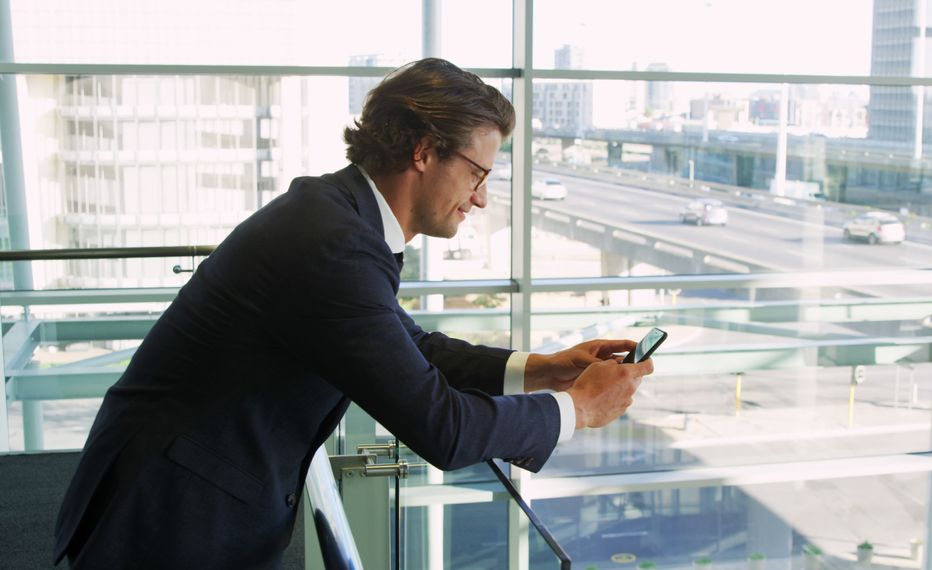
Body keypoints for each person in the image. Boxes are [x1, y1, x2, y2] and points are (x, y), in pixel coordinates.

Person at [53, 58, 654, 569]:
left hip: (184, 492)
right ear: (423, 152)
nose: (481, 197)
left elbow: (408, 345)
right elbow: (442, 429)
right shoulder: (331, 242)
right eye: (477, 173)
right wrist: (577, 408)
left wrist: (543, 368)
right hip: (170, 515)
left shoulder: (339, 216)